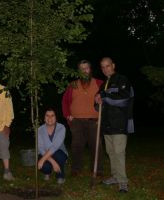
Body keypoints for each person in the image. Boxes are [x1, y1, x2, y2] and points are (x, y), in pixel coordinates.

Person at [95, 57, 134, 193]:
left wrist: (104, 96)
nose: (105, 69)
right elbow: (98, 107)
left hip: (119, 123)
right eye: (103, 67)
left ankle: (123, 182)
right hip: (107, 124)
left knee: (119, 152)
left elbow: (123, 100)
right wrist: (97, 101)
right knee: (110, 152)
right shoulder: (103, 84)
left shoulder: (122, 80)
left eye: (108, 66)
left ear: (113, 65)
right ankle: (115, 177)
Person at [62, 60, 103, 177]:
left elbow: (106, 101)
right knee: (76, 145)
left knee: (96, 145)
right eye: (81, 69)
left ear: (90, 70)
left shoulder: (99, 83)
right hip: (76, 121)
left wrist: (102, 117)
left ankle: (98, 169)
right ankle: (76, 169)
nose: (84, 71)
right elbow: (65, 101)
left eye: (86, 68)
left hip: (94, 121)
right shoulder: (72, 85)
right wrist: (67, 115)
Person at [38, 108, 68, 184]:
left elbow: (55, 146)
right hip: (44, 153)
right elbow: (41, 148)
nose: (50, 118)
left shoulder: (61, 128)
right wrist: (53, 162)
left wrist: (43, 159)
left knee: (59, 156)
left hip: (58, 153)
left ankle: (60, 176)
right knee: (44, 166)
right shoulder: (39, 130)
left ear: (56, 118)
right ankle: (47, 172)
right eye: (47, 116)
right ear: (44, 118)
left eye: (52, 115)